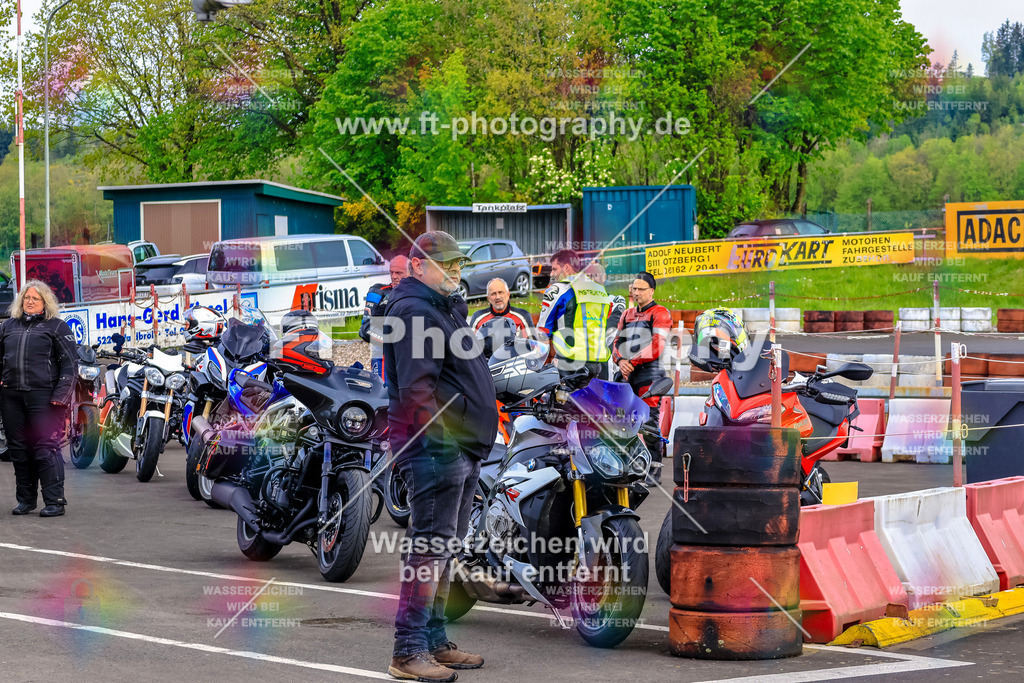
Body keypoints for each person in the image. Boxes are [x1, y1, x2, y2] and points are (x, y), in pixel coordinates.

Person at [384, 231, 498, 682]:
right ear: (417, 266)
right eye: (445, 263)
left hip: (459, 448)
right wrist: (445, 446)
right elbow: (416, 391)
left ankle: (433, 641)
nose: (454, 270)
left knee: (444, 549)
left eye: (457, 263)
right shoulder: (415, 311)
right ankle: (408, 650)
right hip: (435, 450)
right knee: (429, 549)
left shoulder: (441, 307)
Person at [0, 280, 77, 517]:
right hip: (11, 398)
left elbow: (70, 365)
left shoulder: (57, 327)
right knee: (18, 449)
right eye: (26, 298)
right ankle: (26, 500)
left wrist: (62, 396)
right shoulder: (8, 326)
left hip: (45, 398)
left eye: (35, 298)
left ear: (45, 302)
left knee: (45, 448)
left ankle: (55, 501)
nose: (30, 302)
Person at [612, 272, 672, 485]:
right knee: (621, 422)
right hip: (626, 374)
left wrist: (631, 362)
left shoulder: (660, 313)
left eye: (640, 289)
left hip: (650, 376)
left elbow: (657, 346)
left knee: (648, 423)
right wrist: (620, 361)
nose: (636, 292)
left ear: (651, 291)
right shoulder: (626, 314)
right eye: (634, 289)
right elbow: (616, 343)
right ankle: (626, 467)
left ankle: (654, 472)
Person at [536, 249, 612, 380]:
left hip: (569, 362)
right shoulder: (600, 290)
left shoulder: (558, 289)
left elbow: (543, 331)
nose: (552, 274)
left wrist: (536, 363)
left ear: (566, 267)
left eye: (554, 269)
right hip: (597, 363)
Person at [360, 256, 410, 381]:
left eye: (399, 273)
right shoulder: (378, 292)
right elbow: (365, 330)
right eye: (391, 272)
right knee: (383, 390)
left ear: (410, 272)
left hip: (410, 358)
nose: (394, 276)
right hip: (383, 356)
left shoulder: (420, 293)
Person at [467, 278, 534, 358]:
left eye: (501, 292)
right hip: (487, 362)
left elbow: (533, 347)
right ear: (488, 298)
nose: (498, 297)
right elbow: (470, 348)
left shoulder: (523, 316)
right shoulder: (478, 317)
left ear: (508, 294)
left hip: (515, 361)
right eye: (493, 294)